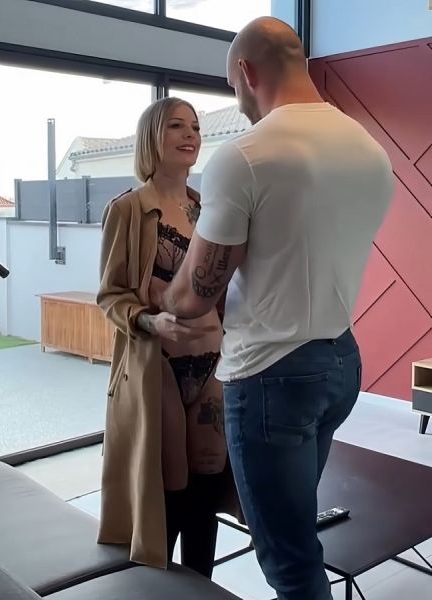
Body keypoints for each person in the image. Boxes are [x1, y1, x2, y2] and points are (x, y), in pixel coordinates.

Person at [151, 17, 394, 600]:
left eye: (232, 87)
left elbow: (195, 295)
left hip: (271, 374)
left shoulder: (245, 155)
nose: (237, 100)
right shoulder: (369, 150)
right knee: (296, 526)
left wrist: (162, 298)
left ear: (246, 71)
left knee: (289, 562)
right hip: (341, 361)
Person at [96, 96, 239, 578]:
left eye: (195, 127)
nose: (190, 134)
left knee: (208, 484)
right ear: (151, 138)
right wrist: (149, 321)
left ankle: (201, 586)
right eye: (177, 125)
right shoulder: (128, 209)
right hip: (158, 365)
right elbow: (109, 295)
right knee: (169, 489)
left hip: (213, 360)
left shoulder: (208, 209)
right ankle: (155, 586)